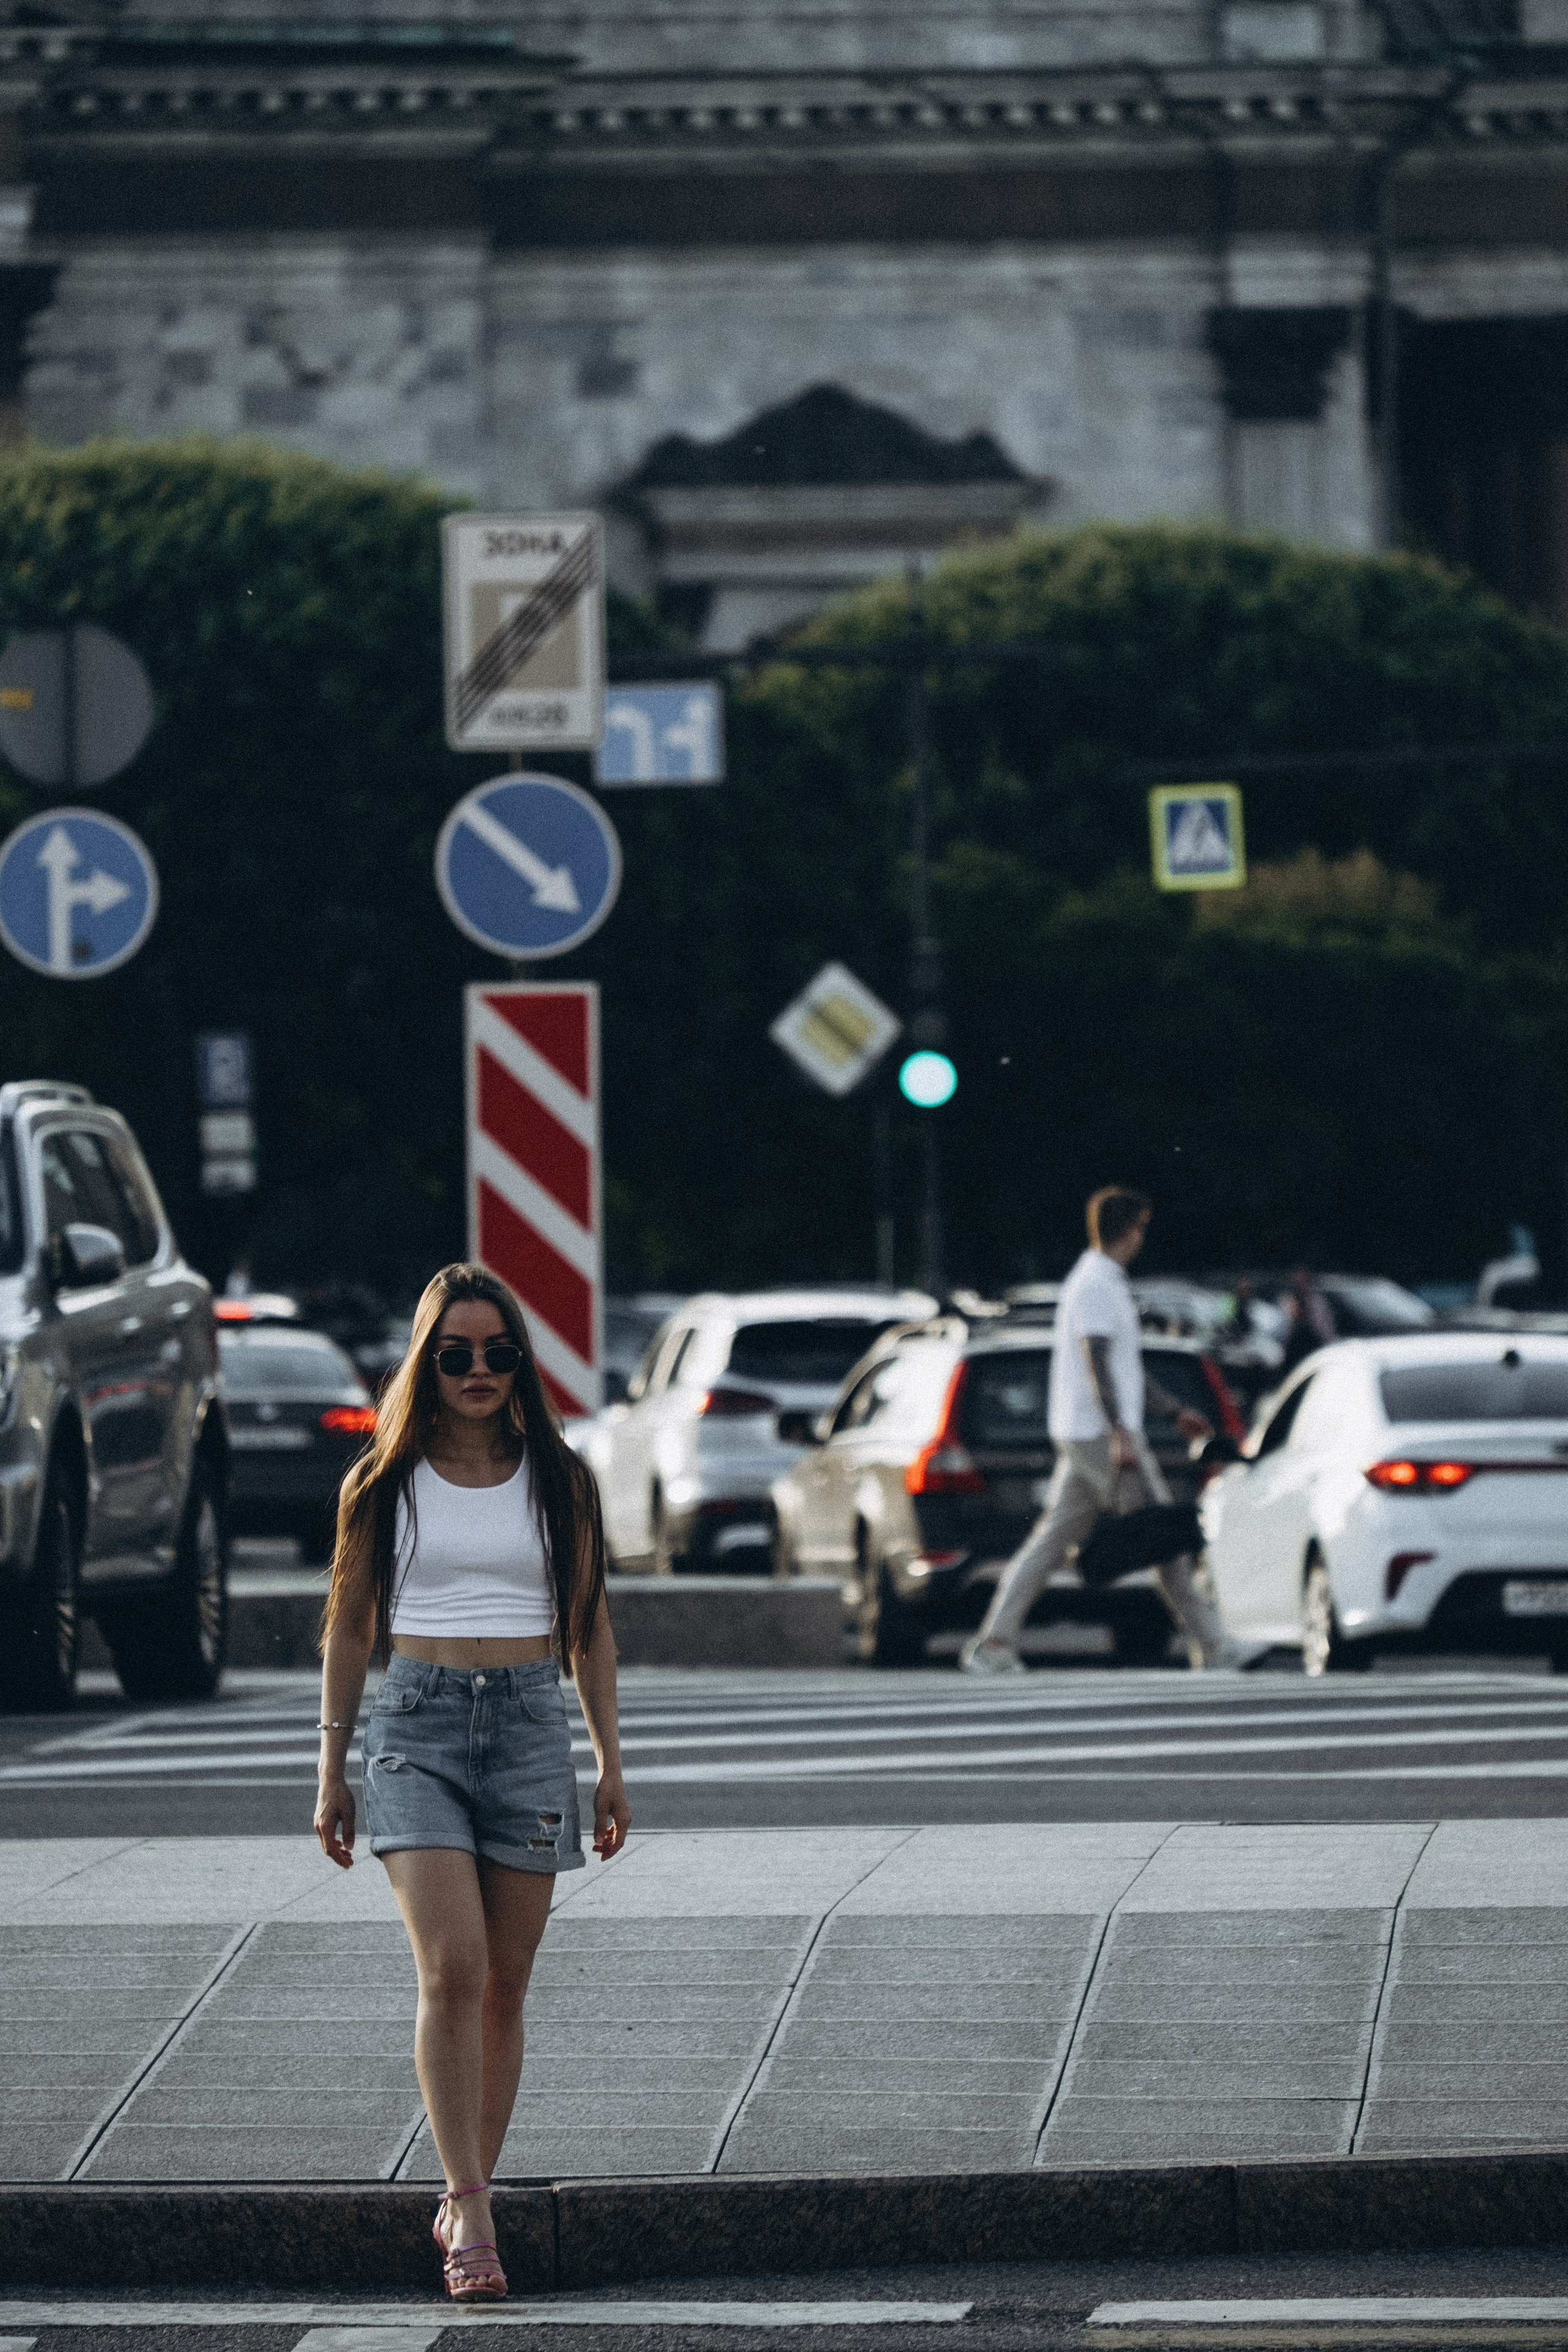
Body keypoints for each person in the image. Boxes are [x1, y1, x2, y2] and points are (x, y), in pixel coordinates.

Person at [314, 1262, 629, 2303]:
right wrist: (332, 1769)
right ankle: (472, 2209)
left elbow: (589, 1630)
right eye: (457, 1354)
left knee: (504, 1982)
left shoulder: (561, 1479)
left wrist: (611, 1765)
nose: (480, 1370)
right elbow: (351, 1630)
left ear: (520, 1363)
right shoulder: (383, 1482)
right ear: (427, 1363)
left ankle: (466, 2185)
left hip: (533, 1727)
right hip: (416, 1728)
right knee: (452, 1965)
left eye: (499, 1352)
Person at [960, 1186, 1243, 1675]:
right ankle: (1215, 1645)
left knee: (1053, 1540)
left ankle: (994, 1642)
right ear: (1131, 1229)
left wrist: (1173, 1412)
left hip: (1089, 1429)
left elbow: (1120, 1365)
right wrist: (1120, 1433)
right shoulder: (1096, 1283)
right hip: (1100, 1432)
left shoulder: (1099, 1281)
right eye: (1141, 1229)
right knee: (1162, 1535)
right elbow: (1097, 1362)